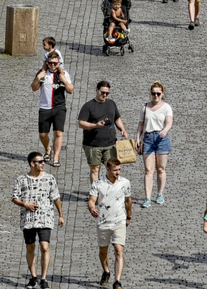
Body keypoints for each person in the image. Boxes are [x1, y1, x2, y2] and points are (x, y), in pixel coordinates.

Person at [13, 150, 65, 289]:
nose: (43, 164)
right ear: (32, 163)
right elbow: (14, 197)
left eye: (43, 161)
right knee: (30, 247)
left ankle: (43, 278)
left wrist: (60, 215)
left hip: (45, 217)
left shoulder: (49, 178)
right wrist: (25, 204)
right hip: (28, 219)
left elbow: (56, 197)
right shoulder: (21, 179)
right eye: (40, 162)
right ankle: (33, 277)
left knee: (44, 246)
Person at [88, 157, 134, 289]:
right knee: (103, 250)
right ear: (108, 169)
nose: (118, 172)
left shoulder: (125, 182)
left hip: (119, 220)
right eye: (115, 170)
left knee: (119, 250)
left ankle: (117, 281)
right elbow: (91, 200)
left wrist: (129, 216)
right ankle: (106, 271)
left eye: (119, 169)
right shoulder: (98, 183)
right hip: (103, 221)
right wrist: (92, 209)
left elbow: (128, 200)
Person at [78, 80, 131, 183]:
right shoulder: (88, 106)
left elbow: (117, 119)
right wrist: (95, 125)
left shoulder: (111, 103)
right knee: (95, 169)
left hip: (110, 144)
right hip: (93, 145)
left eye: (107, 93)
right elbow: (81, 123)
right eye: (102, 92)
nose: (104, 95)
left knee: (112, 168)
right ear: (97, 90)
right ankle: (95, 193)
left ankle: (110, 191)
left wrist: (122, 129)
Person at [33, 52, 75, 167]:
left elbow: (71, 90)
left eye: (55, 63)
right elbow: (34, 88)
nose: (52, 65)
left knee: (58, 133)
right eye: (50, 63)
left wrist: (65, 81)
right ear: (47, 62)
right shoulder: (42, 73)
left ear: (59, 63)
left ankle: (56, 157)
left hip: (59, 107)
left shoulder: (64, 74)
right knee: (42, 134)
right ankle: (48, 149)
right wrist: (38, 79)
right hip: (45, 107)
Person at [138, 82, 174, 207]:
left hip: (161, 139)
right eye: (153, 93)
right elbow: (141, 124)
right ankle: (147, 197)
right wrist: (138, 139)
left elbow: (169, 122)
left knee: (161, 169)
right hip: (148, 138)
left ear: (162, 94)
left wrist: (165, 130)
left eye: (158, 93)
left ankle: (159, 193)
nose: (156, 96)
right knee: (148, 170)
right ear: (151, 94)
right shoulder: (145, 107)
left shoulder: (166, 107)